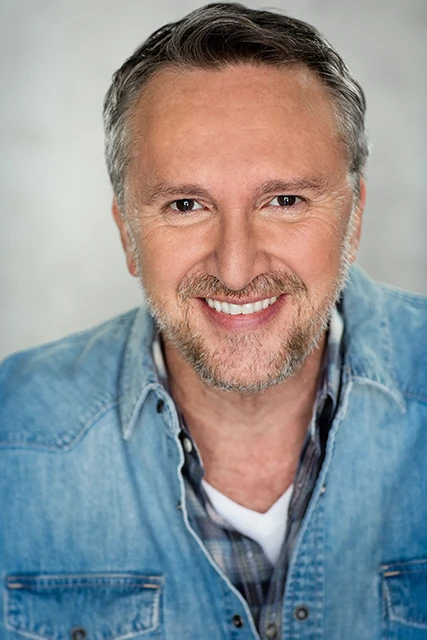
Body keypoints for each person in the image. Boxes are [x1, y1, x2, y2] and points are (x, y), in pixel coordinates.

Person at [1, 3, 426, 639]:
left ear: (354, 217)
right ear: (127, 233)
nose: (234, 268)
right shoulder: (11, 435)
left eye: (284, 200)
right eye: (185, 204)